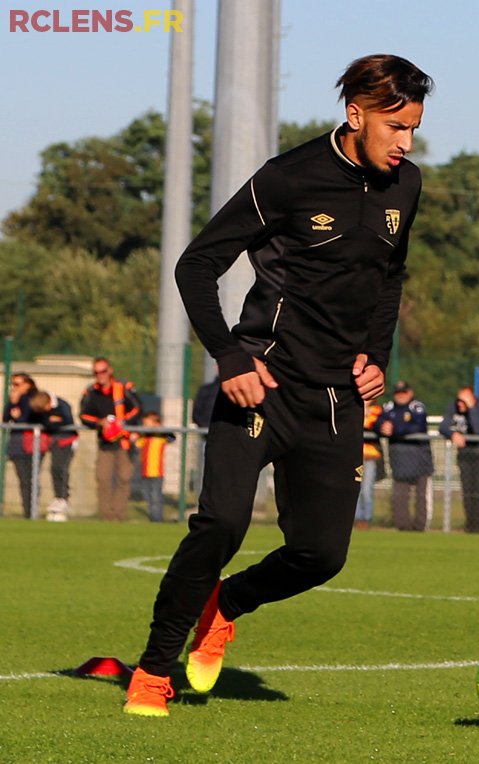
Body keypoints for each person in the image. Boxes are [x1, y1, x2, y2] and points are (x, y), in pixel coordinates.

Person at [123, 55, 433, 717]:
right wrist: (232, 358)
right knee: (222, 524)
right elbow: (196, 264)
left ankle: (225, 605)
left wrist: (376, 356)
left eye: (413, 129)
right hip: (263, 386)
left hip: (337, 402)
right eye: (396, 127)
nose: (406, 143)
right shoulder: (288, 177)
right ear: (356, 115)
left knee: (321, 556)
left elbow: (390, 279)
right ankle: (153, 671)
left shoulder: (407, 187)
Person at [79, 357, 141, 521]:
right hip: (104, 443)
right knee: (103, 478)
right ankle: (106, 517)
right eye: (96, 372)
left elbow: (137, 408)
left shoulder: (124, 387)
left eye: (103, 371)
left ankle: (119, 515)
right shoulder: (91, 392)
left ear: (110, 370)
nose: (100, 375)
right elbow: (83, 415)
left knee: (124, 478)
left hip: (124, 441)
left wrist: (123, 422)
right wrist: (100, 422)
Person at [376, 380, 434, 531]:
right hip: (399, 459)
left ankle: (420, 526)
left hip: (420, 458)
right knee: (400, 496)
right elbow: (378, 422)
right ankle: (403, 526)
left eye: (404, 392)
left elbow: (419, 426)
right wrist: (383, 427)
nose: (400, 396)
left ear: (410, 393)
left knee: (422, 496)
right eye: (397, 393)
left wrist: (394, 429)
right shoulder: (388, 407)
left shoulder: (417, 407)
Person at [439, 386, 479, 533]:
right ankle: (469, 524)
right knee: (467, 490)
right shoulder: (453, 407)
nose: (460, 403)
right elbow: (443, 426)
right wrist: (452, 434)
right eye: (459, 400)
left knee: (478, 491)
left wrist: (471, 408)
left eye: (464, 401)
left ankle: (478, 525)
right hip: (464, 455)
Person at [29, 390, 78, 522]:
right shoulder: (42, 409)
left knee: (60, 468)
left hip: (66, 442)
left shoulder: (62, 405)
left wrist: (52, 423)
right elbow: (45, 422)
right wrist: (50, 421)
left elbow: (66, 421)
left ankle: (63, 498)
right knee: (53, 469)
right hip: (53, 442)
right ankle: (58, 497)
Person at [4, 372, 40, 519]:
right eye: (12, 384)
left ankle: (32, 511)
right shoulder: (15, 400)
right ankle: (28, 512)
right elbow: (6, 418)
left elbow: (27, 419)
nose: (14, 388)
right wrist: (12, 402)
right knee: (23, 479)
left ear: (28, 384)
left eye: (17, 384)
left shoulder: (32, 399)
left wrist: (18, 417)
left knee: (31, 479)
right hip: (17, 444)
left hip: (31, 443)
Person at [135, 412, 176, 523]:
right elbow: (137, 444)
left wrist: (160, 429)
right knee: (147, 495)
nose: (144, 426)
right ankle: (153, 517)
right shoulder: (144, 437)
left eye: (147, 424)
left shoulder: (160, 436)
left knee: (155, 497)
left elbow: (172, 437)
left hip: (157, 473)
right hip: (145, 472)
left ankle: (157, 519)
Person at [354, 398, 384, 530]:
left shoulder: (377, 411)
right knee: (355, 489)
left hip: (370, 456)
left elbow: (377, 426)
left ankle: (366, 518)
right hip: (355, 456)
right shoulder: (353, 408)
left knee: (366, 490)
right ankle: (356, 518)